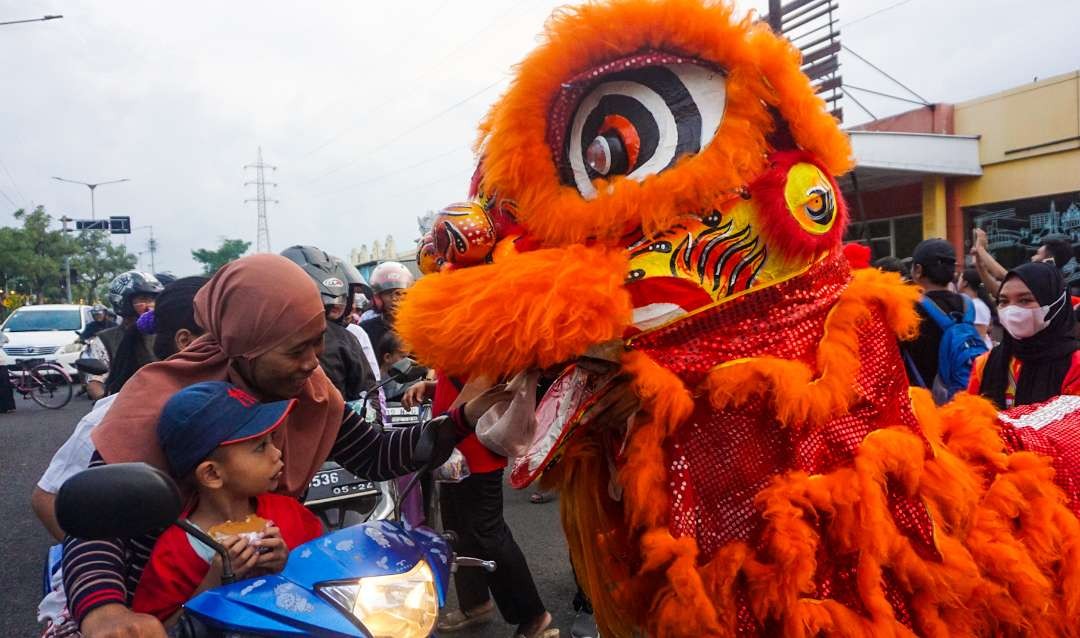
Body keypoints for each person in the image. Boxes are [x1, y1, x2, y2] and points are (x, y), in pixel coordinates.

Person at [60, 254, 488, 638]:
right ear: (246, 348)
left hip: (259, 599)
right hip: (154, 612)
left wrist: (460, 420)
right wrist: (106, 611)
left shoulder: (307, 390)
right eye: (296, 349)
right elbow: (97, 524)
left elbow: (373, 453)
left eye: (318, 340)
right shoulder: (162, 402)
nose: (312, 362)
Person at [131, 381, 324, 624]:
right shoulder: (174, 553)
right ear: (212, 474)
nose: (277, 453)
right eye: (260, 447)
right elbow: (161, 628)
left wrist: (287, 565)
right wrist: (213, 582)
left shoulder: (291, 514)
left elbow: (326, 581)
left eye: (272, 440)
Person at [33, 277, 209, 543]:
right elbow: (46, 499)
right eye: (225, 334)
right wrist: (94, 568)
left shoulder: (234, 404)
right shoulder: (114, 417)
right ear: (185, 340)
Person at [421, 376, 554, 638]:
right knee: (458, 531)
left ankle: (533, 615)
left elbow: (483, 381)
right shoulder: (453, 337)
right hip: (454, 451)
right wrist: (433, 388)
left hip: (475, 451)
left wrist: (442, 431)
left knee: (488, 533)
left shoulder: (478, 338)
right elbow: (456, 378)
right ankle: (475, 603)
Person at [969, 261, 1080, 408]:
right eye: (1004, 301)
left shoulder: (1075, 365)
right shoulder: (985, 363)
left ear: (1055, 304)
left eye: (1025, 300)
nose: (1011, 310)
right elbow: (969, 419)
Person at [281, 246, 375, 402]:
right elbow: (369, 396)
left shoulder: (347, 337)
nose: (309, 363)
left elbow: (368, 396)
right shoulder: (345, 338)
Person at [900, 238, 987, 402]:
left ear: (918, 270)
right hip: (966, 395)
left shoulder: (908, 308)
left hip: (925, 402)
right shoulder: (967, 304)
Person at [86, 271, 163, 400]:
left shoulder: (167, 333)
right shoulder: (106, 339)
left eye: (153, 299)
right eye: (143, 299)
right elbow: (95, 383)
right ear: (123, 302)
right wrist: (106, 405)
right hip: (125, 407)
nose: (150, 305)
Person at [971, 227, 1075, 297]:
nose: (1032, 257)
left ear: (1049, 258)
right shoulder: (1054, 278)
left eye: (1037, 254)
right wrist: (980, 266)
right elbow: (997, 291)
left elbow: (1002, 275)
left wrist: (980, 248)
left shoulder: (1045, 275)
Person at [361, 261, 414, 348]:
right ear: (378, 297)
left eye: (399, 293)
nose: (394, 298)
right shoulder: (366, 330)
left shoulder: (419, 327)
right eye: (388, 293)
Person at [956, 268, 995, 348]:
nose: (957, 282)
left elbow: (979, 335)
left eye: (960, 278)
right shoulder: (969, 303)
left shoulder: (977, 306)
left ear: (965, 283)